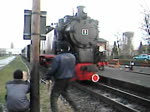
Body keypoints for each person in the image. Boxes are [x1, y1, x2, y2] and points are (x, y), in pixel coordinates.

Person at [45, 42, 76, 112]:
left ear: (60, 49)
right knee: (65, 93)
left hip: (60, 79)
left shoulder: (58, 58)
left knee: (54, 96)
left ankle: (55, 110)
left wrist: (48, 76)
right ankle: (75, 108)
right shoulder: (73, 57)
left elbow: (53, 69)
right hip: (69, 78)